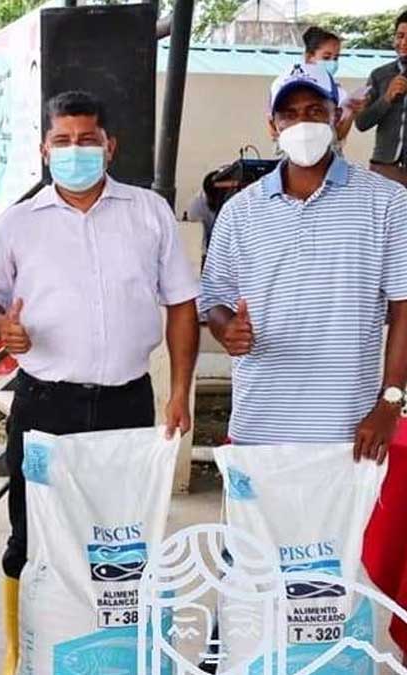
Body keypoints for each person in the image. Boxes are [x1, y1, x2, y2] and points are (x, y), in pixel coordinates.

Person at [0, 91, 201, 674]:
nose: (75, 150)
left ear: (110, 146)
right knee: (30, 536)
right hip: (45, 403)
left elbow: (181, 304)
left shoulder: (148, 211)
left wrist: (179, 391)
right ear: (44, 148)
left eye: (87, 139)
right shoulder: (20, 222)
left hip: (128, 400)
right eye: (63, 140)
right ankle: (19, 652)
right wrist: (1, 325)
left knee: (120, 538)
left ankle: (110, 652)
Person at [202, 62, 407, 654]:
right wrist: (227, 331)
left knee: (331, 579)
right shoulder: (242, 211)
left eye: (315, 111)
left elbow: (404, 308)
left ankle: (330, 664)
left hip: (346, 431)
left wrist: (389, 402)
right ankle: (237, 659)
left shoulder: (386, 203)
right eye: (289, 114)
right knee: (251, 568)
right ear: (271, 126)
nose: (303, 123)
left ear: (338, 120)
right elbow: (215, 299)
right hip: (260, 427)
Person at [354, 11, 407, 186]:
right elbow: (361, 123)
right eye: (400, 36)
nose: (404, 42)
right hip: (383, 171)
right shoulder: (379, 75)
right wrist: (387, 98)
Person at [303, 26, 365, 147]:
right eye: (326, 57)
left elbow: (340, 136)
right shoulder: (290, 87)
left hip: (329, 159)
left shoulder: (339, 93)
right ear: (309, 57)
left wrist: (351, 112)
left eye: (336, 58)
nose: (332, 63)